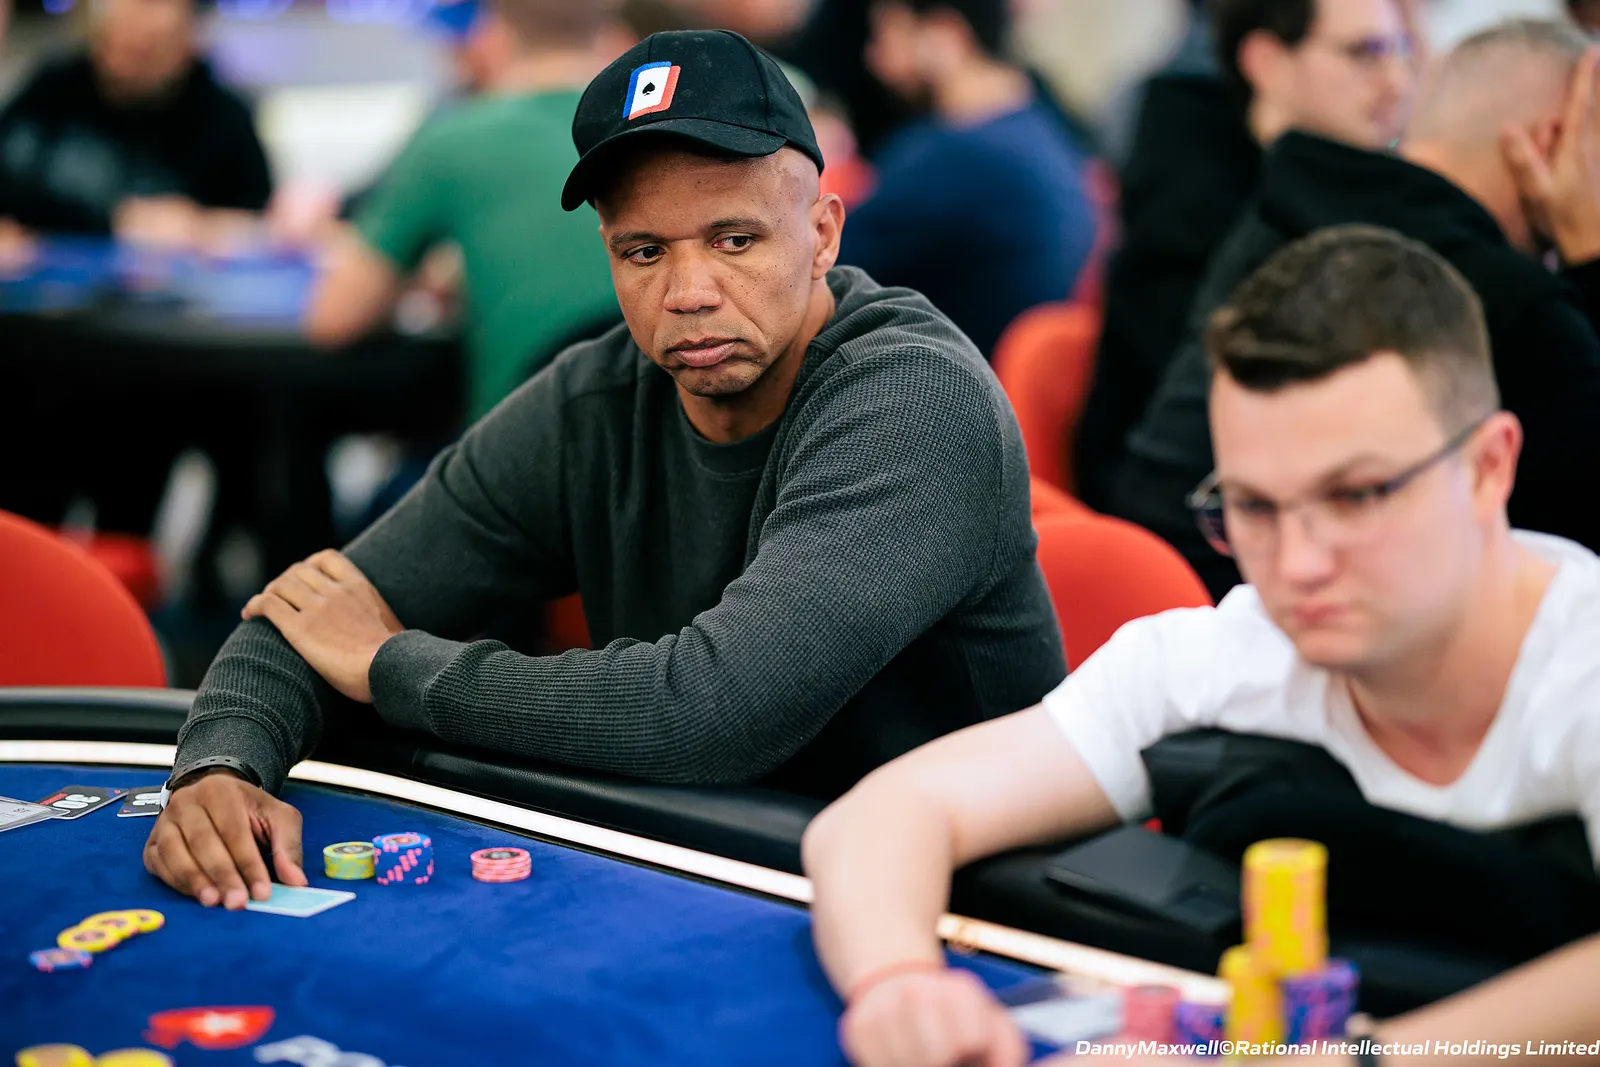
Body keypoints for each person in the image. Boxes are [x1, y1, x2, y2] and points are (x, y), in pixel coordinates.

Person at [143, 28, 1066, 912]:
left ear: (822, 235)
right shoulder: (595, 395)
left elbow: (711, 714)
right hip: (704, 867)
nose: (689, 292)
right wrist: (222, 765)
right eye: (645, 251)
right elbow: (313, 613)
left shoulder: (914, 397)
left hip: (970, 912)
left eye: (735, 240)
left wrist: (392, 665)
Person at [801, 225, 1600, 1067]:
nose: (1298, 564)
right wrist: (898, 983)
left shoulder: (1582, 662)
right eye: (1253, 506)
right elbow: (886, 814)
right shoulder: (1226, 651)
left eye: (1357, 495)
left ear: (1487, 467)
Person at [1111, 19, 1600, 601]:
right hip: (1271, 610)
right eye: (1366, 53)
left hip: (1173, 572)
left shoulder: (1298, 205)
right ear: (1550, 144)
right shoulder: (1519, 307)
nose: (1394, 79)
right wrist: (1592, 262)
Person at [1075, 0, 1419, 512]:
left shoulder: (1334, 184)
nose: (1398, 82)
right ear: (1267, 62)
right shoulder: (1196, 198)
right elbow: (1190, 425)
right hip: (1177, 506)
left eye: (1401, 51)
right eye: (1364, 53)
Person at [304, 0, 626, 425]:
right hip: (666, 430)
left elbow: (334, 319)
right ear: (610, 26)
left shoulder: (453, 141)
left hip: (521, 438)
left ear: (493, 30)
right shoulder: (647, 130)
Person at [834, 0, 1097, 360]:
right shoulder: (1040, 127)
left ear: (946, 35)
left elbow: (829, 260)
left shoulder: (954, 154)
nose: (874, 58)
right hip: (997, 367)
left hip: (941, 371)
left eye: (888, 32)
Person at [0, 0, 271, 244]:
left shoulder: (224, 118)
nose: (130, 54)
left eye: (148, 48)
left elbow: (260, 222)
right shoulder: (51, 92)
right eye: (119, 39)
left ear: (188, 40)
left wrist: (201, 226)